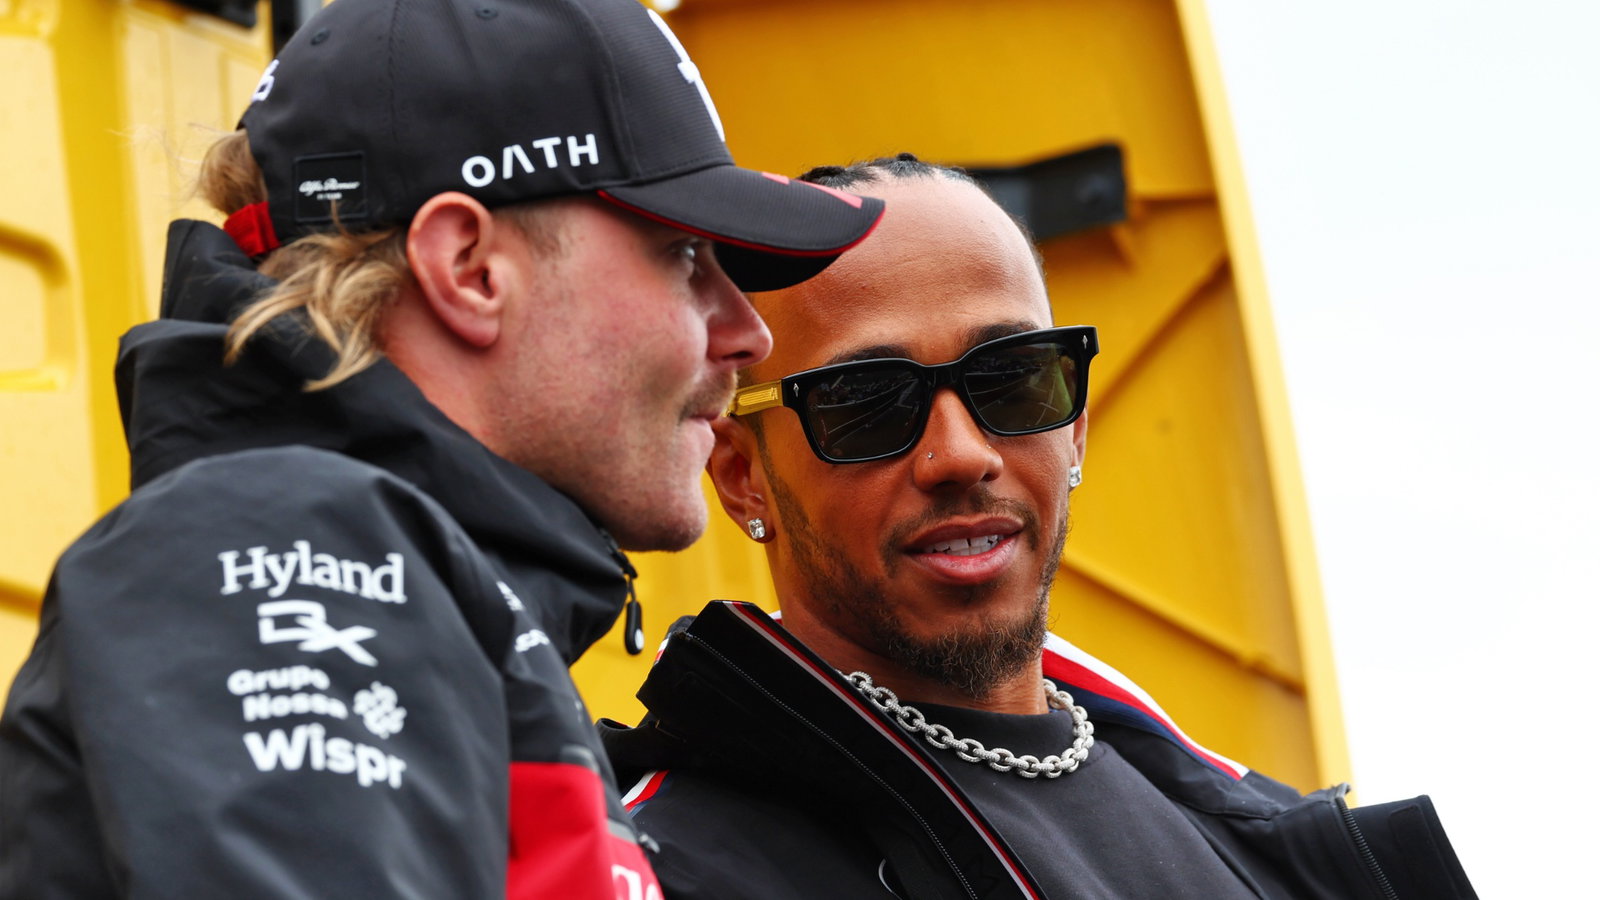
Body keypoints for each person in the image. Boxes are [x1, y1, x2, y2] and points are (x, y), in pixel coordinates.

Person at [0, 1, 884, 897]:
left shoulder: (421, 598)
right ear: (467, 269)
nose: (747, 333)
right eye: (686, 254)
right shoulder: (286, 549)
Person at [602, 155, 1477, 899]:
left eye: (1014, 380)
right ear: (741, 475)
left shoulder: (1243, 830)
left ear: (1076, 425)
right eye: (866, 404)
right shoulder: (664, 869)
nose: (959, 454)